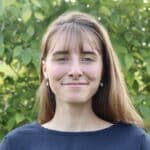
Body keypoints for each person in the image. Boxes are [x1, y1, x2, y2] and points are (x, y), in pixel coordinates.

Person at [0, 11, 150, 150]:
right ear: (45, 69)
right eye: (62, 59)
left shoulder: (135, 142)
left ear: (103, 69)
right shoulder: (17, 144)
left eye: (87, 59)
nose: (75, 71)